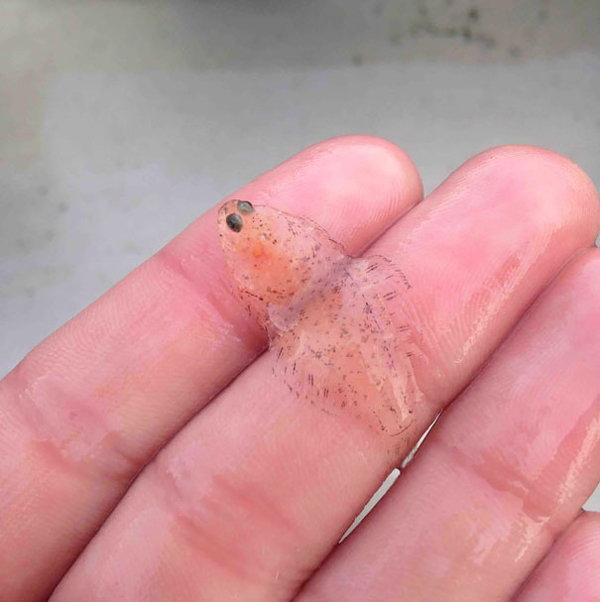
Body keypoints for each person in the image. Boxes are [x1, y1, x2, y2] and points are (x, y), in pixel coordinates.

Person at [1, 136, 599, 601]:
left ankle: (403, 440)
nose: (235, 215)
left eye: (240, 214)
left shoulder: (270, 238)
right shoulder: (259, 246)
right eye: (236, 218)